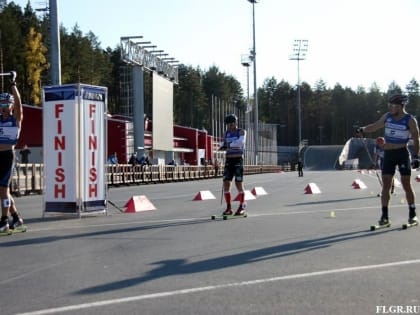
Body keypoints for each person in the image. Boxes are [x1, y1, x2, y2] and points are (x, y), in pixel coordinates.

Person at [356, 94, 419, 226]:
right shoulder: (387, 117)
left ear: (401, 106)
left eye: (393, 106)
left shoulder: (410, 120)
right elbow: (375, 126)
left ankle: (412, 214)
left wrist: (417, 156)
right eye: (389, 105)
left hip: (402, 153)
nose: (390, 108)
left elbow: (416, 138)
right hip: (388, 154)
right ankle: (385, 217)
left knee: (406, 183)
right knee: (386, 184)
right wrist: (363, 129)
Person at [0, 71, 24, 232]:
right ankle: (16, 217)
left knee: (3, 190)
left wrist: (13, 83)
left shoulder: (15, 118)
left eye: (5, 105)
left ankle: (4, 220)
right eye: (0, 105)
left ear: (11, 106)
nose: (3, 108)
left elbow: (19, 102)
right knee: (2, 191)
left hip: (8, 156)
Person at [219, 114, 247, 216]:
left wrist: (228, 145)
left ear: (235, 123)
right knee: (226, 182)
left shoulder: (241, 131)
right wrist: (222, 146)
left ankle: (242, 205)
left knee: (238, 183)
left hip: (238, 159)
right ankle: (229, 208)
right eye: (228, 124)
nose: (230, 126)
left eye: (232, 123)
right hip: (229, 160)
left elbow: (240, 142)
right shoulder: (226, 133)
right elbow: (223, 144)